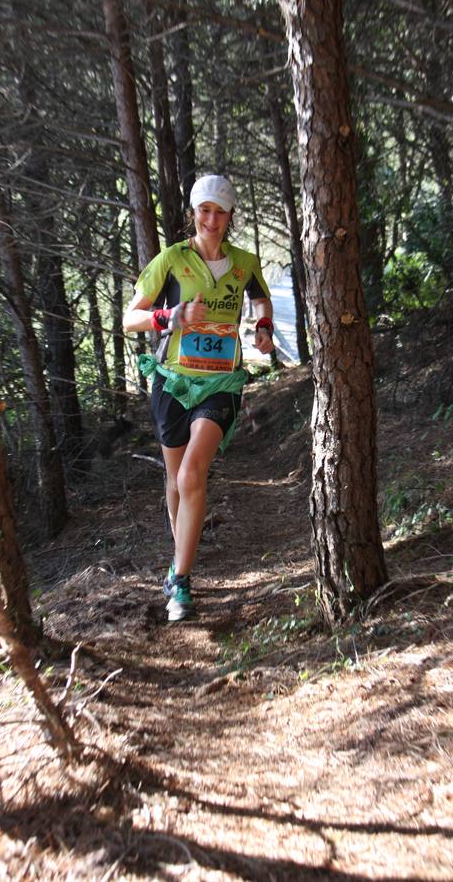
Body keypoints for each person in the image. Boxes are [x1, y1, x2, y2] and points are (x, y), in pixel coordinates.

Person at [123, 174, 274, 621]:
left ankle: (181, 582)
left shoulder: (244, 262)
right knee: (175, 481)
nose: (211, 219)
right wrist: (169, 315)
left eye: (220, 211)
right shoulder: (171, 260)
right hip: (172, 381)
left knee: (192, 474)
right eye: (204, 210)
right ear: (194, 213)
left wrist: (263, 327)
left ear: (230, 216)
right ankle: (179, 565)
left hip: (221, 383)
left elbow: (261, 300)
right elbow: (129, 318)